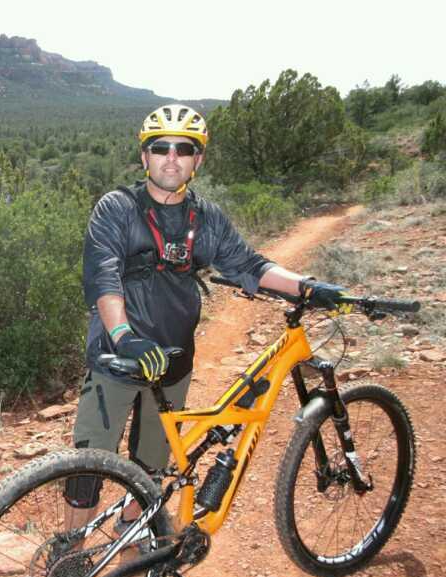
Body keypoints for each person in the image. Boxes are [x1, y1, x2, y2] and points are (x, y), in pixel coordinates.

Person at [64, 104, 344, 534]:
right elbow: (103, 277)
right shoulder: (116, 208)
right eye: (161, 148)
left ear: (198, 159)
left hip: (173, 359)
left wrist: (307, 287)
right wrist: (123, 336)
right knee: (89, 465)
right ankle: (68, 549)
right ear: (144, 157)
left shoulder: (206, 218)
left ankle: (132, 535)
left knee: (152, 461)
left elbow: (250, 265)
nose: (171, 158)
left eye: (184, 149)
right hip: (116, 359)